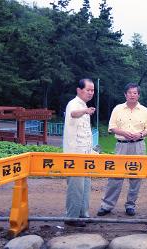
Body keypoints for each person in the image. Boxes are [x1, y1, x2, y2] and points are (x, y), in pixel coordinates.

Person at [97, 83, 147, 217]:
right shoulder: (118, 109)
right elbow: (112, 127)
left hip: (138, 145)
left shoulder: (145, 111)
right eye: (130, 92)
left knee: (136, 176)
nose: (132, 95)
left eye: (135, 93)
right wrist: (124, 133)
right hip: (121, 145)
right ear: (125, 94)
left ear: (138, 95)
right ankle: (107, 205)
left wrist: (139, 134)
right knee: (115, 176)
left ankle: (130, 205)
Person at [63, 78, 96, 227]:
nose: (91, 93)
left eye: (92, 90)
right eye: (88, 90)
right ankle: (72, 217)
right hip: (75, 155)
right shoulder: (74, 104)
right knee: (76, 186)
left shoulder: (84, 106)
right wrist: (85, 111)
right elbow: (73, 114)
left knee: (85, 185)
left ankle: (83, 214)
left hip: (86, 155)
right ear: (79, 90)